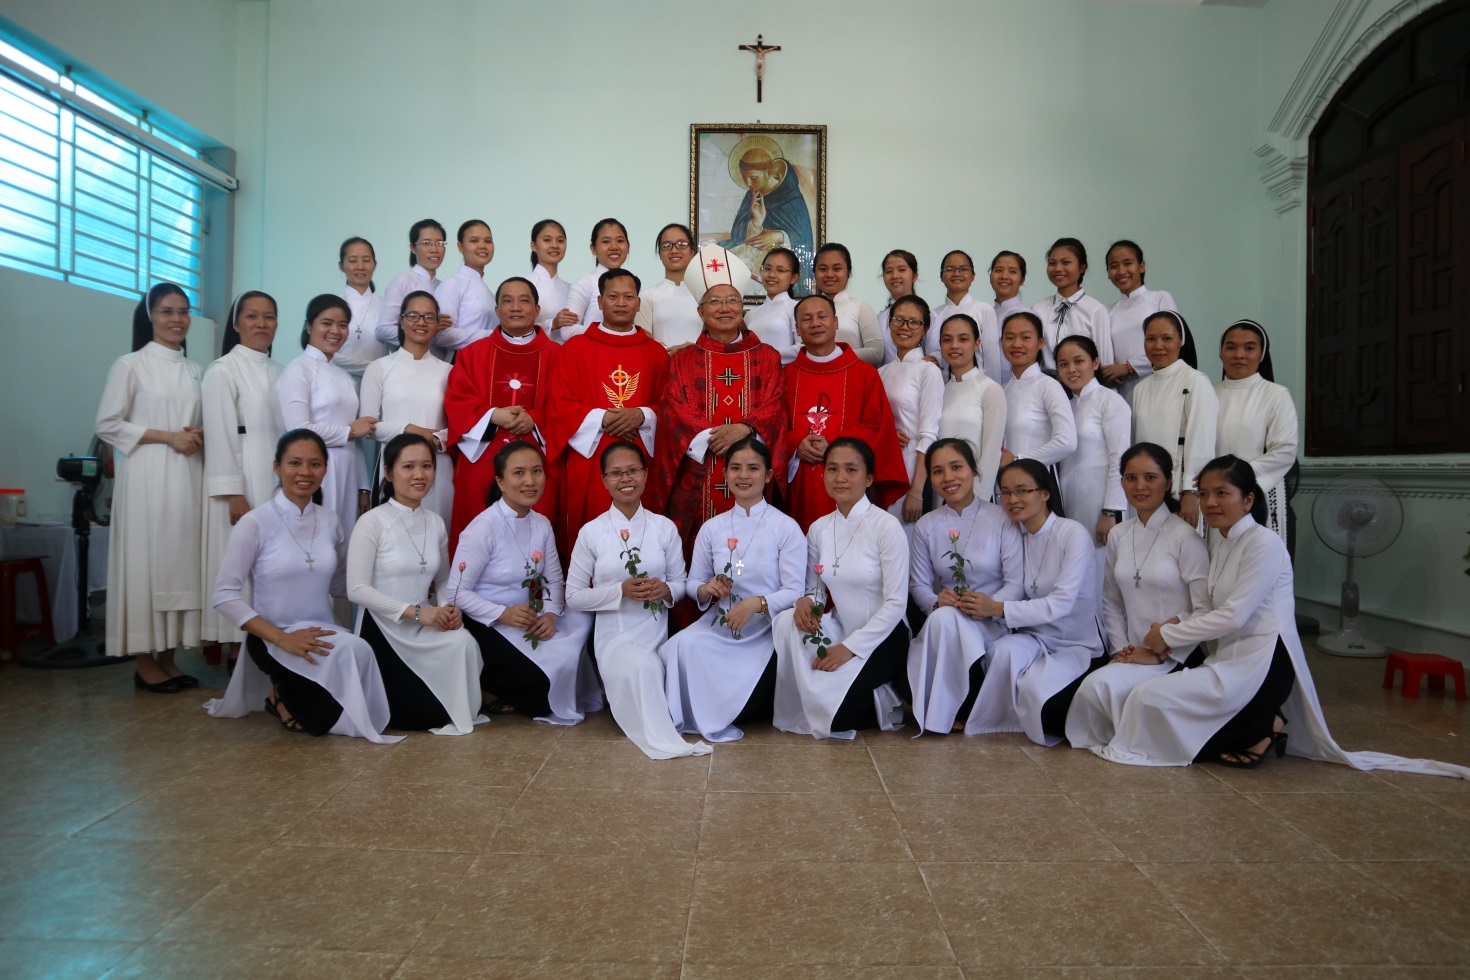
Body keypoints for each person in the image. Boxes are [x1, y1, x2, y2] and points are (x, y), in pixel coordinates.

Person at [1088, 455, 1470, 779]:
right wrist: (1173, 627)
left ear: (1248, 499)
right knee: (1148, 696)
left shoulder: (1264, 544)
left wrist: (1169, 636)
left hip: (1265, 660)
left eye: (1222, 493)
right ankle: (1261, 724)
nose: (1210, 503)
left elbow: (1234, 615)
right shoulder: (1220, 542)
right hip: (1228, 658)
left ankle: (1264, 727)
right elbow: (1211, 607)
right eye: (1203, 494)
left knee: (1153, 698)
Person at [204, 430, 400, 743]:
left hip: (323, 633)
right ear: (277, 467)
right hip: (273, 637)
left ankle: (288, 692)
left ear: (325, 469)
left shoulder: (329, 520)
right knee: (320, 721)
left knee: (359, 650)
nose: (305, 472)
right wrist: (282, 638)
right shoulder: (254, 523)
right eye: (295, 463)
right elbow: (223, 595)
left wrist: (397, 593)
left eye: (315, 464)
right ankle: (278, 694)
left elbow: (341, 584)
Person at [565, 441, 710, 759]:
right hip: (613, 635)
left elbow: (681, 584)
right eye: (616, 473)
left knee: (666, 663)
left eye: (632, 470)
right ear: (604, 480)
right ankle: (655, 733)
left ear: (645, 475)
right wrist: (620, 591)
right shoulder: (592, 532)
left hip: (656, 630)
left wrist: (665, 590)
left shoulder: (664, 528)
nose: (625, 479)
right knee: (641, 667)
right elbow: (573, 597)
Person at [96, 282, 205, 691]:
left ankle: (168, 657)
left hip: (187, 479)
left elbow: (197, 423)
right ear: (149, 316)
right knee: (147, 564)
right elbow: (107, 424)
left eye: (183, 311)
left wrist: (198, 435)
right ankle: (144, 661)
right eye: (166, 311)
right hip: (146, 478)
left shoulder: (195, 370)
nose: (177, 319)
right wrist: (167, 436)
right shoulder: (130, 365)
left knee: (180, 565)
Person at [1064, 442, 1209, 749]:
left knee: (1109, 691)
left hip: (1175, 653)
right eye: (1131, 478)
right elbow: (1111, 601)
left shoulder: (1186, 537)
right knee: (1093, 689)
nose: (1139, 486)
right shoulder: (1119, 534)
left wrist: (1161, 649)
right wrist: (1122, 650)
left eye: (1150, 477)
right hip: (1130, 652)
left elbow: (1204, 608)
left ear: (1168, 482)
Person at [659, 437, 805, 741]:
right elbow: (692, 584)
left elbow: (795, 590)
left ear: (768, 475)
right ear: (724, 475)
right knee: (680, 645)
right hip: (720, 624)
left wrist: (755, 604)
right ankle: (689, 716)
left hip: (764, 630)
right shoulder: (713, 528)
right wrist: (708, 588)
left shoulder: (786, 527)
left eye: (753, 468)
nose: (743, 475)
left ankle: (728, 707)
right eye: (735, 468)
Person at [650, 244, 787, 555]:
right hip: (699, 473)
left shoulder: (767, 357)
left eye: (732, 300)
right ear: (700, 312)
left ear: (742, 307)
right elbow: (673, 410)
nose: (725, 308)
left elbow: (775, 405)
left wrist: (745, 429)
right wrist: (716, 437)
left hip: (754, 466)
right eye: (714, 301)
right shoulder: (683, 359)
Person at [453, 441, 600, 725]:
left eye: (536, 471)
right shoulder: (483, 527)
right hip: (488, 622)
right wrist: (503, 613)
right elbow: (457, 592)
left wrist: (551, 614)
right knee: (540, 693)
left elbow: (555, 579)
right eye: (518, 473)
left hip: (530, 616)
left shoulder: (541, 523)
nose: (530, 481)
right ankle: (488, 687)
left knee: (582, 615)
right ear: (501, 481)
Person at [772, 438, 909, 739]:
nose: (840, 478)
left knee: (836, 715)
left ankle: (886, 696)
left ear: (869, 478)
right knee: (785, 620)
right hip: (840, 628)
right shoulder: (819, 528)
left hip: (884, 637)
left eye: (851, 469)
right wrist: (806, 603)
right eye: (832, 469)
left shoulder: (886, 527)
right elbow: (816, 590)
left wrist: (850, 649)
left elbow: (896, 602)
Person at [348, 434, 484, 734]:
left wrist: (447, 608)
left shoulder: (435, 521)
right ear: (388, 473)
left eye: (426, 466)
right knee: (426, 716)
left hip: (426, 625)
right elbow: (356, 589)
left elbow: (444, 578)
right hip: (384, 627)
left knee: (463, 641)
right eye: (408, 466)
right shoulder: (371, 522)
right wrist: (417, 613)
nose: (419, 474)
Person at [962, 460, 1103, 744]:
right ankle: (995, 725)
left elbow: (1062, 603)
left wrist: (998, 608)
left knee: (1037, 695)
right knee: (1001, 652)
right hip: (1034, 637)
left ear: (1045, 494)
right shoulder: (1016, 536)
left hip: (1073, 641)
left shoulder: (1072, 533)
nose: (1012, 499)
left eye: (1022, 491)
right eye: (1005, 492)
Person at [544, 268, 670, 548]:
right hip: (590, 459)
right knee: (592, 533)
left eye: (629, 297)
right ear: (600, 302)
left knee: (643, 538)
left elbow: (670, 406)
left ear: (639, 303)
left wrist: (642, 415)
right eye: (613, 297)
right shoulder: (574, 349)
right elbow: (559, 405)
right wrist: (603, 418)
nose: (621, 303)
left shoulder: (657, 353)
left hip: (642, 455)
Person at [906, 439, 1021, 734]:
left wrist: (989, 605)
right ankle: (955, 707)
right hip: (949, 617)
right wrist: (936, 601)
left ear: (974, 470)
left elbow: (1016, 582)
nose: (948, 478)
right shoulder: (926, 526)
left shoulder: (1002, 518)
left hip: (992, 620)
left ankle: (948, 710)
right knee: (944, 618)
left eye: (956, 467)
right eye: (937, 471)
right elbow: (919, 585)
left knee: (944, 622)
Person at [200, 291, 285, 673]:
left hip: (277, 479)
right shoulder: (222, 370)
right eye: (252, 316)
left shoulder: (281, 371)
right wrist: (233, 492)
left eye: (269, 317)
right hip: (244, 478)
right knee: (241, 562)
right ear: (236, 323)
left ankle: (270, 641)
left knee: (271, 562)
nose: (261, 324)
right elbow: (219, 435)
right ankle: (238, 648)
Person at [445, 276, 560, 555]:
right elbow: (456, 402)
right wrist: (492, 415)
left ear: (537, 309)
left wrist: (535, 419)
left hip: (539, 458)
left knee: (536, 543)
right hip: (484, 457)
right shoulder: (471, 354)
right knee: (478, 537)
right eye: (507, 301)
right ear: (497, 310)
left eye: (524, 301)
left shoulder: (559, 356)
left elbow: (568, 407)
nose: (515, 307)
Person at [782, 294, 907, 530]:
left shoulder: (865, 374)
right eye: (806, 319)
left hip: (851, 480)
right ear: (797, 329)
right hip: (801, 487)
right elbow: (774, 429)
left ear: (836, 322)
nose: (815, 323)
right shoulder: (786, 377)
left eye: (822, 316)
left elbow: (877, 427)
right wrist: (796, 443)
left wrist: (833, 443)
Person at [278, 294, 375, 542]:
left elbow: (357, 436)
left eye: (342, 325)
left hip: (348, 473)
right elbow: (298, 430)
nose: (335, 331)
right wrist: (348, 432)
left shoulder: (345, 377)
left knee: (344, 543)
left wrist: (363, 486)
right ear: (309, 326)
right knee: (316, 542)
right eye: (326, 323)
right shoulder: (297, 370)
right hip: (316, 471)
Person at [359, 291, 454, 528]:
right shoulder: (379, 368)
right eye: (413, 315)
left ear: (437, 324)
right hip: (396, 466)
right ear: (400, 321)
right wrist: (411, 430)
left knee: (437, 534)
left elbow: (460, 425)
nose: (421, 322)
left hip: (438, 466)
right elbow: (368, 427)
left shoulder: (449, 371)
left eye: (429, 317)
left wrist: (438, 439)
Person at [1131, 310, 1218, 528]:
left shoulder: (1196, 381)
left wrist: (1192, 492)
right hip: (1146, 487)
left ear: (1181, 341)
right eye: (1151, 339)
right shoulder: (1141, 388)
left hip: (1180, 487)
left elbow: (1202, 441)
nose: (1158, 346)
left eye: (1167, 338)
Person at [1215, 319, 1298, 546]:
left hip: (1256, 494)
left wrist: (1235, 481)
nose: (1239, 355)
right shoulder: (1208, 395)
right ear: (1221, 353)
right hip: (1213, 498)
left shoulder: (1276, 395)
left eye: (1249, 348)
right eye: (1231, 347)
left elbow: (1284, 450)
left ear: (1261, 355)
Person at [1054, 335, 1131, 578]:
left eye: (1079, 361)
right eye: (1064, 364)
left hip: (1101, 504)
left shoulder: (1110, 401)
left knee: (1103, 572)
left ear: (1095, 363)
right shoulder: (1066, 406)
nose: (1071, 369)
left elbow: (1121, 459)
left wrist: (1111, 511)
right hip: (1071, 501)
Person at [877, 295, 943, 528]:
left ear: (924, 329)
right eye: (898, 320)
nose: (905, 327)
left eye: (914, 322)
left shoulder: (928, 371)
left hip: (913, 469)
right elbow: (873, 423)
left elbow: (929, 434)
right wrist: (886, 434)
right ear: (889, 324)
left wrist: (916, 490)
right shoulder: (881, 373)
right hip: (884, 469)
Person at [717, 141, 816, 294]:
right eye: (744, 177)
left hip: (781, 267)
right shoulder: (751, 195)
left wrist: (781, 236)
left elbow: (804, 239)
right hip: (755, 264)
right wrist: (756, 222)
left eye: (753, 178)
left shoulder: (791, 198)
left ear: (769, 172)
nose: (748, 184)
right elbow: (737, 235)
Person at [999, 312, 1077, 486]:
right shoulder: (1002, 390)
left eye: (1025, 337)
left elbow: (1067, 442)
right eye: (1009, 338)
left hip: (1039, 482)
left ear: (1041, 343)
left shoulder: (1049, 386)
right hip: (1005, 484)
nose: (1017, 344)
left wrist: (1018, 459)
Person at [936, 313, 1006, 498]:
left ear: (976, 344)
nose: (954, 345)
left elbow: (991, 453)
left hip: (975, 495)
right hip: (941, 493)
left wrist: (976, 502)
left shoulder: (990, 389)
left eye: (963, 339)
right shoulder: (940, 390)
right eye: (947, 340)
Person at [1100, 240, 1178, 405]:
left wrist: (1129, 367)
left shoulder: (1160, 299)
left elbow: (1173, 345)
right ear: (1107, 273)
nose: (1121, 271)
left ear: (1141, 266)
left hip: (1160, 386)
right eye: (1114, 266)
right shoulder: (1107, 311)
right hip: (1123, 394)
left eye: (1128, 263)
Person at [1030, 238, 1112, 371]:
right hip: (1045, 381)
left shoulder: (1095, 310)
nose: (1058, 269)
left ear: (1082, 267)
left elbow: (1105, 362)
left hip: (1082, 381)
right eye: (1052, 263)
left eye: (1066, 262)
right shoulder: (1038, 309)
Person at [931, 249, 1003, 380]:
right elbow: (933, 354)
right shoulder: (934, 314)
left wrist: (991, 387)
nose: (956, 274)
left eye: (963, 269)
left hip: (978, 386)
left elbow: (992, 359)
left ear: (973, 276)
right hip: (944, 387)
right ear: (941, 276)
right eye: (950, 269)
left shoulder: (984, 310)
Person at [556, 217, 629, 342]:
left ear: (628, 247)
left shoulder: (631, 285)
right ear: (593, 249)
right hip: (594, 352)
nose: (614, 247)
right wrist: (610, 334)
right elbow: (567, 330)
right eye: (606, 241)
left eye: (620, 241)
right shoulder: (586, 283)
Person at [374, 219, 445, 346]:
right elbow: (383, 329)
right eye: (426, 243)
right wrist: (427, 331)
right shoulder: (403, 281)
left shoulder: (444, 286)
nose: (434, 249)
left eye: (439, 243)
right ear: (413, 248)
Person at [433, 219, 499, 355]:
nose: (482, 246)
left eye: (488, 241)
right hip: (461, 361)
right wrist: (493, 335)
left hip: (485, 360)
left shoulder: (488, 292)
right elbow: (442, 335)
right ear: (460, 247)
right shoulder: (452, 284)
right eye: (474, 241)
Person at [813, 243, 884, 365]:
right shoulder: (806, 310)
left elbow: (876, 353)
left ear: (849, 272)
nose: (829, 274)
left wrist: (833, 356)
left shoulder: (861, 308)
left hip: (851, 375)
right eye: (823, 269)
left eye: (837, 269)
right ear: (814, 272)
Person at [635, 223, 703, 351]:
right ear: (660, 254)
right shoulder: (646, 296)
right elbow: (644, 344)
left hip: (700, 361)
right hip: (661, 361)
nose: (674, 250)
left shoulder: (705, 295)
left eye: (681, 244)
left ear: (692, 251)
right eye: (666, 245)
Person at [334, 237, 386, 383]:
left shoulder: (386, 305)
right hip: (339, 382)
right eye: (352, 261)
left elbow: (397, 351)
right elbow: (327, 353)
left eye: (366, 260)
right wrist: (376, 368)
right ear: (341, 266)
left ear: (374, 264)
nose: (360, 266)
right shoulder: (333, 306)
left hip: (379, 385)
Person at [743, 246, 801, 364]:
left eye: (780, 270)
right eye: (767, 268)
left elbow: (803, 348)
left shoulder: (797, 309)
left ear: (794, 278)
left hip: (784, 372)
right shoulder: (750, 314)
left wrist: (765, 356)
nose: (771, 275)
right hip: (754, 372)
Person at [875, 249, 920, 364]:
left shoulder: (927, 315)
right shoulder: (878, 320)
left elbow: (934, 354)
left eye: (901, 270)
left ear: (914, 276)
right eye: (889, 271)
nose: (895, 276)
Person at [528, 219, 570, 332]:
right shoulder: (524, 285)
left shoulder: (571, 289)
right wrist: (552, 324)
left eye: (560, 241)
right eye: (547, 240)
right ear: (533, 246)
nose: (555, 245)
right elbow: (515, 328)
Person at [989, 249, 1029, 363]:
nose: (1004, 276)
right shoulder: (985, 314)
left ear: (1022, 280)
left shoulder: (1028, 316)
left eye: (1012, 271)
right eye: (999, 270)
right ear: (990, 277)